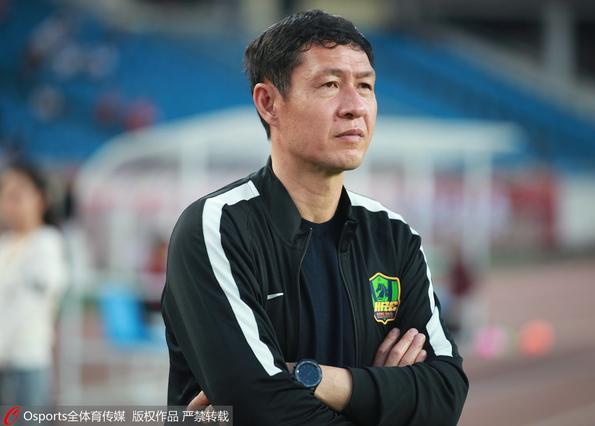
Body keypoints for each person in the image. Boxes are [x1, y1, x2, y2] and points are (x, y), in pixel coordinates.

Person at [161, 10, 468, 425]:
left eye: (365, 86)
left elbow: (445, 394)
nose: (355, 107)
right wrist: (383, 396)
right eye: (330, 85)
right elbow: (260, 407)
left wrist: (311, 378)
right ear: (269, 103)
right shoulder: (218, 227)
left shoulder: (393, 237)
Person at [0, 161, 68, 406]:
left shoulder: (46, 243)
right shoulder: (5, 244)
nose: (9, 204)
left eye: (17, 195)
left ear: (40, 200)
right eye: (5, 196)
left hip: (26, 363)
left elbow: (29, 306)